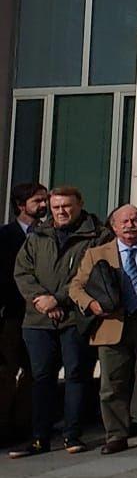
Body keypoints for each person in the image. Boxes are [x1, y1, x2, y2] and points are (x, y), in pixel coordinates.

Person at [70, 205, 137, 453]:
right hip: (111, 323)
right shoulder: (97, 253)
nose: (130, 225)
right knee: (113, 382)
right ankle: (116, 434)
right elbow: (75, 287)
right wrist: (92, 305)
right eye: (125, 221)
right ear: (114, 226)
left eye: (136, 220)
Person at [9, 188, 103, 457]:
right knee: (41, 377)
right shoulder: (37, 235)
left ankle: (72, 434)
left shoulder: (96, 234)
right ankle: (39, 437)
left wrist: (59, 300)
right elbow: (22, 271)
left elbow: (91, 275)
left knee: (76, 374)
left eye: (67, 206)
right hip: (37, 319)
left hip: (75, 318)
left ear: (80, 204)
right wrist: (40, 298)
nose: (61, 211)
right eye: (56, 206)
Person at [0, 183, 47, 445]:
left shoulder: (50, 234)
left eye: (45, 200)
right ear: (21, 205)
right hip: (13, 314)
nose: (44, 205)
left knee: (36, 371)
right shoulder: (5, 236)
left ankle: (24, 424)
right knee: (7, 371)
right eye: (38, 200)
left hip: (41, 316)